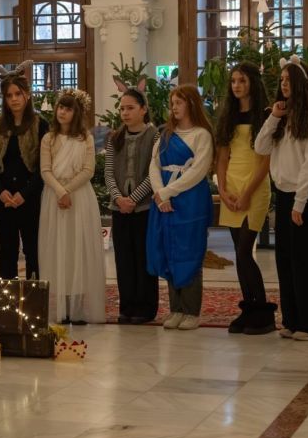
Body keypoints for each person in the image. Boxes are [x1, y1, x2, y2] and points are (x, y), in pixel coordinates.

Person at [255, 56, 308, 341]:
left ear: (300, 83)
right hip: (284, 194)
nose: (284, 84)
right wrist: (274, 117)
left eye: (288, 80)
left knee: (306, 263)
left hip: (306, 196)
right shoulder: (282, 116)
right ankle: (292, 319)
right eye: (282, 80)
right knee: (285, 261)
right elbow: (260, 147)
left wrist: (300, 203)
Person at [148, 84, 214, 331]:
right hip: (164, 199)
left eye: (179, 102)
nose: (174, 107)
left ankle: (191, 311)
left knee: (189, 251)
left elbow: (198, 171)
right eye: (172, 103)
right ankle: (175, 309)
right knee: (169, 249)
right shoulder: (165, 134)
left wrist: (167, 192)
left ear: (191, 104)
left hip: (190, 200)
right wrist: (159, 195)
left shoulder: (201, 135)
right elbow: (154, 165)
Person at [215, 62, 274, 335]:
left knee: (244, 251)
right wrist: (222, 190)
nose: (237, 86)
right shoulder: (228, 115)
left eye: (242, 81)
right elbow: (222, 157)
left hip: (255, 187)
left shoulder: (265, 115)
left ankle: (264, 313)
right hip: (232, 186)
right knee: (239, 253)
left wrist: (247, 193)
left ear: (252, 83)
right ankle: (249, 310)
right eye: (233, 81)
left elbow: (265, 163)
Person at [40, 88, 105, 324]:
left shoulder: (86, 138)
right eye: (60, 107)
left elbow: (88, 170)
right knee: (59, 249)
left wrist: (67, 191)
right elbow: (45, 170)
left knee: (77, 249)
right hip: (54, 198)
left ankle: (77, 310)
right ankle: (61, 308)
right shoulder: (48, 139)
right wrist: (60, 192)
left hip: (79, 198)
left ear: (76, 112)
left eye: (67, 109)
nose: (62, 112)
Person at [0, 61, 49, 280]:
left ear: (27, 95)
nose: (14, 99)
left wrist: (25, 193)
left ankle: (33, 296)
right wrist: (0, 190)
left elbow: (44, 166)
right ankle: (7, 295)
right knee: (7, 250)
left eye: (18, 94)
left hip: (30, 197)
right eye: (9, 95)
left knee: (32, 249)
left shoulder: (40, 124)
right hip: (4, 198)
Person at [104, 79, 160, 324]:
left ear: (143, 109)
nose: (125, 113)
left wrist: (133, 199)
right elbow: (108, 172)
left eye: (130, 108)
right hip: (119, 208)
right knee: (124, 259)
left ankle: (145, 308)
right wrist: (118, 198)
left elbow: (153, 173)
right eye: (122, 108)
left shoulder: (154, 135)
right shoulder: (115, 137)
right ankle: (127, 306)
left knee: (143, 257)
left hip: (144, 208)